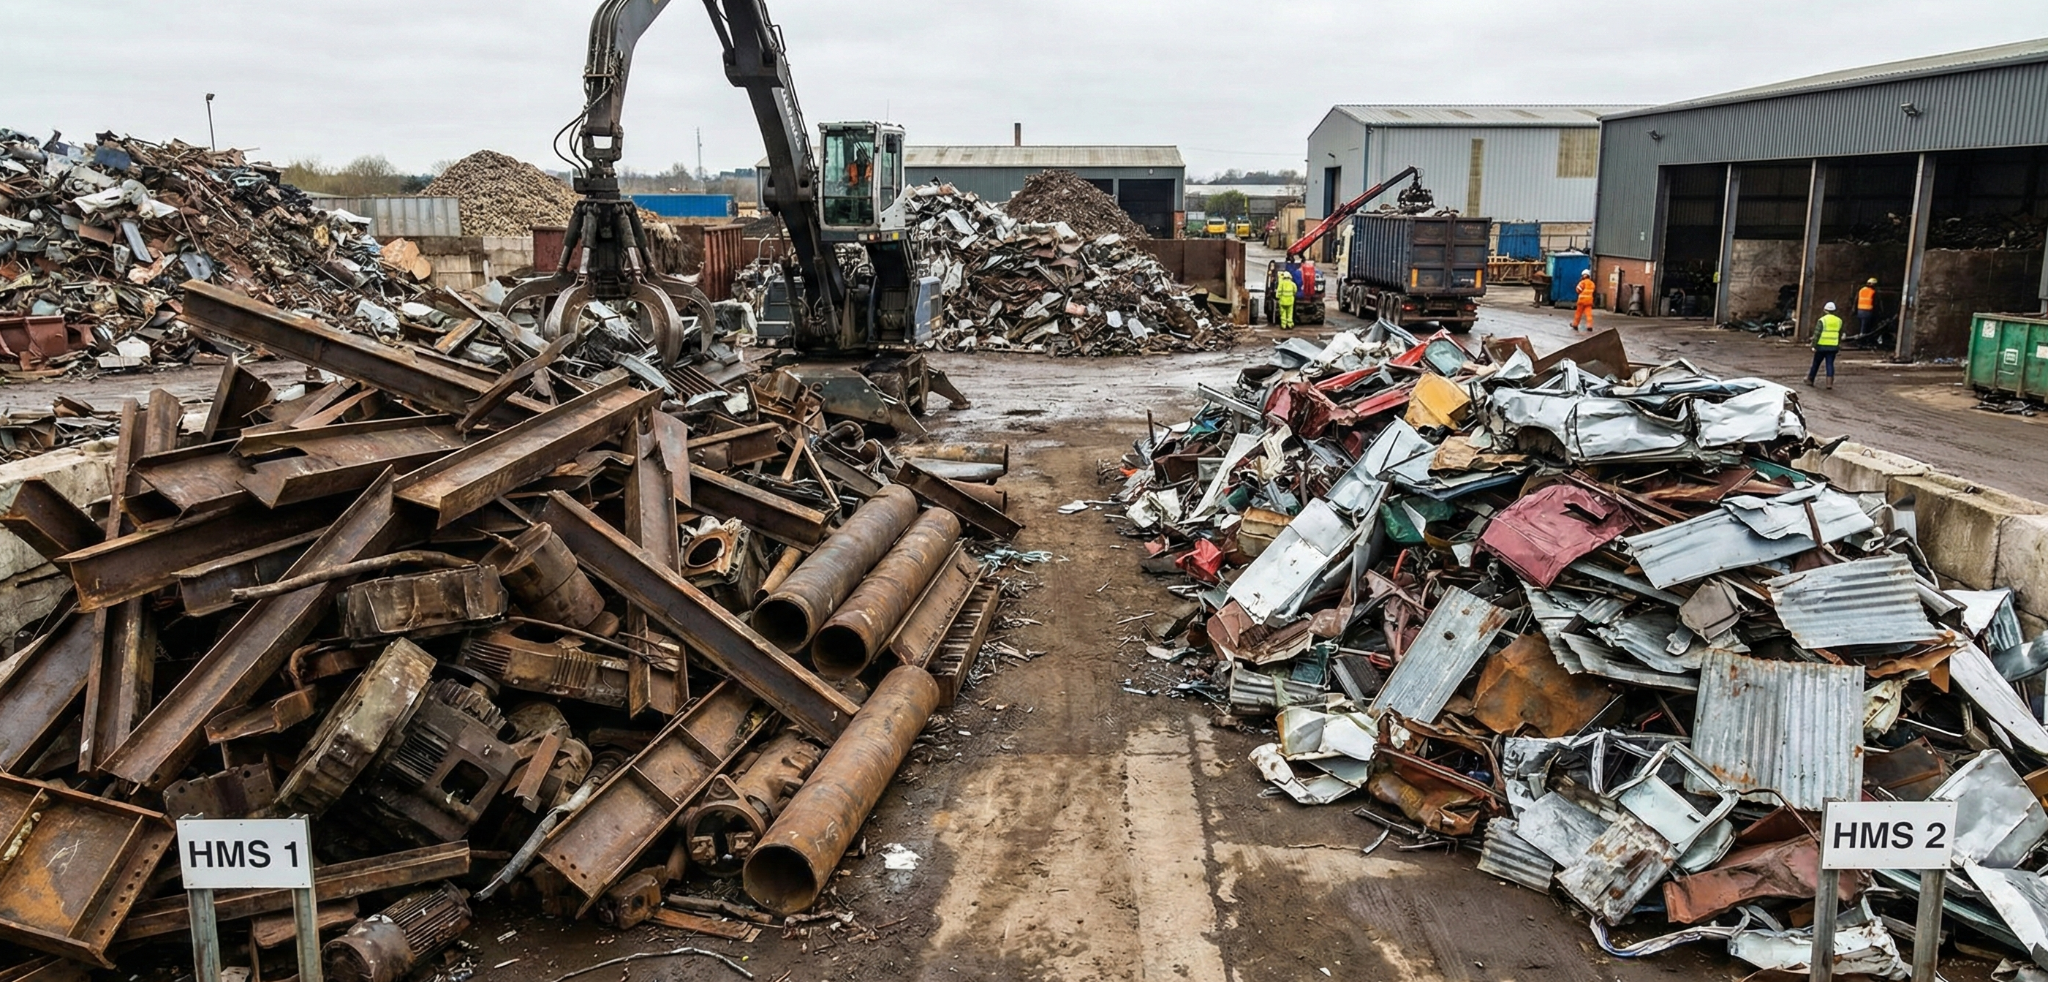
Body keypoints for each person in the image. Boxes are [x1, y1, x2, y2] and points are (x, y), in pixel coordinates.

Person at [1808, 300, 1843, 388]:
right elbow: (1840, 334)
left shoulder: (1822, 320)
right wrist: (1838, 345)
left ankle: (1810, 379)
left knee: (1816, 363)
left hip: (1821, 346)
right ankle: (1829, 384)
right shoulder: (1839, 321)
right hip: (1833, 347)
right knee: (1830, 364)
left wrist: (1813, 345)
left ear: (1825, 310)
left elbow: (1817, 334)